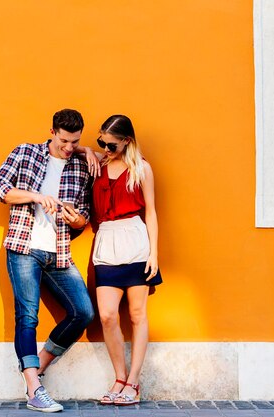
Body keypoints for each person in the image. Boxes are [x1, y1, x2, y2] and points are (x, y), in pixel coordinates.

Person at [0, 109, 95, 412]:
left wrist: (77, 220)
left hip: (58, 252)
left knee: (83, 312)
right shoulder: (25, 152)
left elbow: (84, 215)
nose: (68, 147)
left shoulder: (80, 165)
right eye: (64, 141)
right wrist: (35, 196)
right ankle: (35, 389)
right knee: (28, 316)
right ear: (52, 131)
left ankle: (39, 366)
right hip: (24, 247)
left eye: (75, 142)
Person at [82, 115, 162, 406]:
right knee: (107, 314)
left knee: (138, 314)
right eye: (100, 141)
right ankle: (119, 377)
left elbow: (150, 212)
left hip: (135, 240)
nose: (104, 147)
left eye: (110, 144)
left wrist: (154, 253)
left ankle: (134, 382)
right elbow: (75, 149)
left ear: (127, 141)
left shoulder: (142, 168)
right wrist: (89, 150)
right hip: (106, 241)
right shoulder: (98, 165)